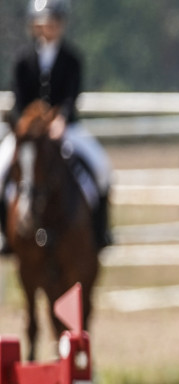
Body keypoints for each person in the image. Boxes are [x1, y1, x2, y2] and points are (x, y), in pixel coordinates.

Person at [0, 0, 113, 252]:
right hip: (28, 134)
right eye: (43, 23)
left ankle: (100, 231)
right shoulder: (23, 60)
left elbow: (72, 97)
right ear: (34, 25)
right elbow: (18, 100)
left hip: (64, 128)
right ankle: (5, 236)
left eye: (53, 22)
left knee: (102, 166)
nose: (48, 27)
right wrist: (26, 125)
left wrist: (60, 119)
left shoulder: (72, 59)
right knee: (0, 169)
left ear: (61, 25)